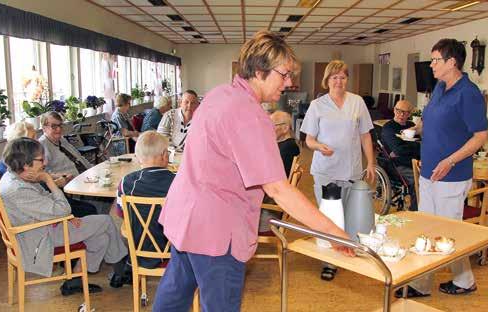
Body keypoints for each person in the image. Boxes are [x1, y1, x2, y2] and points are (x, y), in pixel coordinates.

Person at [153, 30, 353, 312]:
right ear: (260, 71)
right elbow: (278, 189)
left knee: (173, 298)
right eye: (284, 74)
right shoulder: (250, 115)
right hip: (216, 232)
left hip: (186, 220)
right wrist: (333, 232)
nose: (290, 82)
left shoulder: (218, 94)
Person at [395, 38, 488, 298]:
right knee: (428, 230)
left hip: (451, 176)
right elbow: (430, 121)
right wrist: (415, 130)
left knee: (448, 233)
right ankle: (425, 283)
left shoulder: (468, 93)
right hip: (429, 174)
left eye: (436, 60)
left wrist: (449, 160)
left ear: (452, 62)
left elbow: (480, 136)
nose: (431, 65)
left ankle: (463, 281)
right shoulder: (439, 87)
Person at [0, 138, 129, 295]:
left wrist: (65, 215)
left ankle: (75, 282)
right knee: (106, 221)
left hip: (43, 226)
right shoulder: (18, 189)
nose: (45, 163)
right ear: (26, 164)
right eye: (40, 159)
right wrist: (49, 180)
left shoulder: (16, 176)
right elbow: (63, 208)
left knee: (101, 238)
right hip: (39, 238)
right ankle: (122, 271)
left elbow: (47, 199)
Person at [300, 60, 375, 281]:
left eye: (342, 77)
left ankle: (347, 251)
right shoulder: (317, 105)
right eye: (334, 77)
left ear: (347, 79)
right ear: (327, 80)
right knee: (330, 217)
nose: (339, 81)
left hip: (351, 169)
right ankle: (329, 261)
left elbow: (365, 135)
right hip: (326, 171)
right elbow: (308, 140)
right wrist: (318, 146)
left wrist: (370, 162)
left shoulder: (357, 102)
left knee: (350, 214)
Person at [116, 131, 175, 269]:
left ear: (138, 157)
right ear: (164, 155)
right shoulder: (179, 181)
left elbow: (121, 213)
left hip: (140, 252)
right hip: (174, 251)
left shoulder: (126, 182)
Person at [38, 111, 98, 217]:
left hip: (87, 176)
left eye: (60, 125)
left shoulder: (62, 140)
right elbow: (43, 173)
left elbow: (79, 157)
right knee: (103, 198)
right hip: (72, 185)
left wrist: (93, 169)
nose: (59, 129)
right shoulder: (41, 146)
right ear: (44, 128)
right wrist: (62, 178)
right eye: (54, 126)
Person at [258, 110, 300, 233]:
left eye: (271, 125)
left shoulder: (289, 148)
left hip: (270, 207)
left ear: (285, 128)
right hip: (270, 198)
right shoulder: (282, 145)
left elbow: (272, 179)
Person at [380, 100, 420, 211]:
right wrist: (414, 146)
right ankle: (415, 212)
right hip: (396, 165)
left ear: (409, 114)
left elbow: (422, 144)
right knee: (418, 181)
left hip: (414, 162)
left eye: (405, 112)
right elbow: (399, 150)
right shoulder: (389, 128)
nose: (401, 115)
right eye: (399, 111)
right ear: (394, 110)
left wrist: (407, 146)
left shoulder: (412, 126)